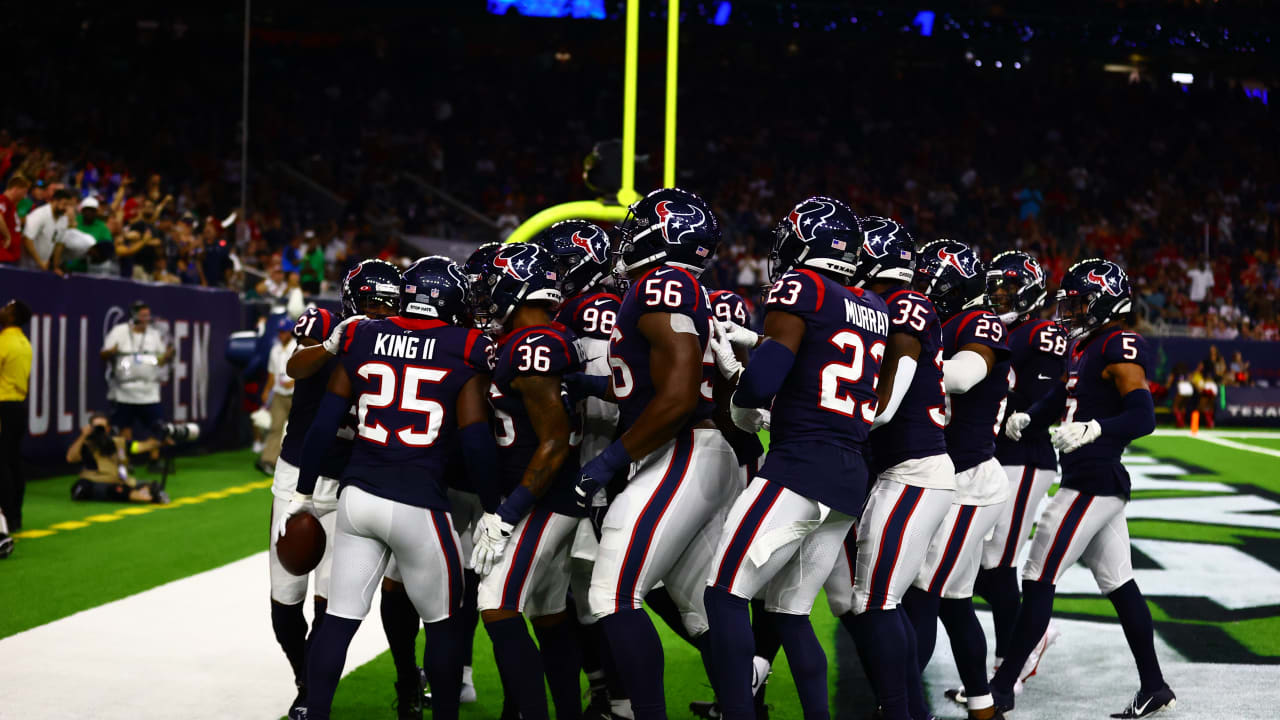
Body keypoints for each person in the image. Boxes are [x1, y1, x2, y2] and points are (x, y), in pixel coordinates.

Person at [280, 256, 498, 720]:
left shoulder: (360, 334)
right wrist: (495, 507)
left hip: (357, 495)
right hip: (419, 500)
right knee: (442, 626)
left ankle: (315, 711)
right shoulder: (467, 345)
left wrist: (302, 494)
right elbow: (477, 439)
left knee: (338, 621)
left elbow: (322, 424)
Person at [703, 197, 887, 719]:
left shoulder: (801, 286)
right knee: (790, 612)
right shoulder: (871, 304)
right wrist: (760, 341)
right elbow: (820, 355)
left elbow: (762, 382)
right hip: (850, 475)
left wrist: (739, 384)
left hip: (800, 467)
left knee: (725, 595)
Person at [576, 188, 738, 720]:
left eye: (639, 225)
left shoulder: (663, 282)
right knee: (699, 610)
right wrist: (586, 383)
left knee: (612, 595)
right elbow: (649, 384)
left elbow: (677, 396)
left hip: (682, 448)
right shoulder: (681, 284)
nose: (628, 235)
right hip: (697, 451)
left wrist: (609, 461)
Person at [997, 259, 1174, 717]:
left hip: (1092, 480)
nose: (1069, 312)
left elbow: (1143, 416)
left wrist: (1096, 429)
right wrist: (1030, 417)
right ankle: (1154, 685)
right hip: (1091, 478)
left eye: (1078, 302)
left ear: (1104, 301)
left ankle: (1000, 688)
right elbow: (1061, 394)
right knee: (1120, 583)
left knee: (1037, 577)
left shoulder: (1118, 344)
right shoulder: (1088, 346)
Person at [836, 217, 955, 720]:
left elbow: (885, 406)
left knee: (876, 601)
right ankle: (908, 709)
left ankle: (901, 711)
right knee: (881, 600)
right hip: (907, 469)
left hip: (913, 471)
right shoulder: (890, 307)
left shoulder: (905, 305)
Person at [945, 250, 1067, 708]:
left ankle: (1007, 668)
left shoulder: (1041, 332)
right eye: (994, 288)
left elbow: (1051, 391)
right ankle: (1022, 644)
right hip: (1000, 456)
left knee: (996, 563)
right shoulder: (999, 329)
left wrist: (1027, 415)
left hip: (1025, 456)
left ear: (1032, 293)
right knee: (983, 565)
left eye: (1009, 289)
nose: (999, 296)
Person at [468, 243, 585, 720]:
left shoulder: (531, 342)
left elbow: (554, 440)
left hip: (541, 498)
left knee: (496, 604)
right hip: (546, 495)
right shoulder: (545, 337)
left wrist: (507, 513)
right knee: (550, 612)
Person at [901, 240, 1011, 720]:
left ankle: (899, 704)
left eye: (929, 279)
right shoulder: (948, 322)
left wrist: (900, 366)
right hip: (953, 475)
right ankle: (983, 704)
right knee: (954, 601)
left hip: (969, 481)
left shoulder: (979, 320)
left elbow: (963, 377)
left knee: (925, 590)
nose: (920, 287)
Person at [101, 301, 173, 469]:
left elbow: (160, 361)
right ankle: (126, 461)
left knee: (158, 427)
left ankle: (154, 460)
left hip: (149, 391)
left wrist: (168, 355)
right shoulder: (119, 331)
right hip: (124, 390)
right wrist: (111, 352)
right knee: (124, 427)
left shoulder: (154, 335)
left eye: (148, 315)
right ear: (133, 316)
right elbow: (103, 353)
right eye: (143, 316)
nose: (146, 319)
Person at [66, 412, 169, 504]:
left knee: (152, 485)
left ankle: (144, 493)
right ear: (90, 428)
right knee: (107, 489)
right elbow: (71, 458)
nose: (99, 431)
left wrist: (160, 439)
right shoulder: (85, 444)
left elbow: (142, 446)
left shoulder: (118, 442)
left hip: (119, 480)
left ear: (108, 429)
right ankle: (141, 496)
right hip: (96, 481)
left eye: (102, 427)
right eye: (96, 427)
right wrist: (83, 436)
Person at [0, 299, 33, 558]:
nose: (2, 309)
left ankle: (6, 517)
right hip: (18, 406)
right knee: (13, 460)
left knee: (2, 462)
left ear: (12, 316)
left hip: (2, 405)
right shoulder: (24, 343)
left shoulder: (5, 341)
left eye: (7, 308)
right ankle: (15, 516)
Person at [258, 315, 298, 474]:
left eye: (284, 331)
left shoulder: (298, 347)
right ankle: (268, 460)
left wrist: (294, 381)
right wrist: (266, 390)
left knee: (297, 429)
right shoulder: (275, 350)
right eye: (280, 331)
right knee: (275, 427)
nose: (281, 334)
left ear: (290, 332)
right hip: (280, 394)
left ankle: (296, 463)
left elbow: (306, 371)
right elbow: (272, 374)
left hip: (297, 394)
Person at [22, 187, 76, 274]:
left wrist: (55, 267)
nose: (66, 208)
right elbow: (27, 240)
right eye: (64, 204)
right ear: (55, 201)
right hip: (27, 264)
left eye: (68, 205)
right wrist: (39, 262)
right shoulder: (40, 214)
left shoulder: (63, 219)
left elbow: (59, 244)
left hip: (43, 265)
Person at [0, 175, 31, 266]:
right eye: (24, 192)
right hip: (3, 256)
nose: (24, 196)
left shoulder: (12, 205)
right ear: (15, 189)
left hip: (12, 257)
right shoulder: (2, 200)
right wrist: (8, 236)